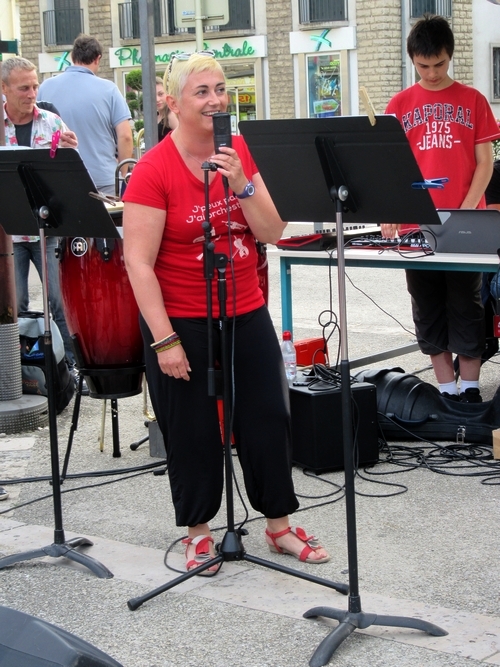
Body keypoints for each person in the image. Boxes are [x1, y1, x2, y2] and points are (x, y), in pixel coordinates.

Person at [122, 52, 330, 575]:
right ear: (172, 102)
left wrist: (243, 183)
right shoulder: (154, 170)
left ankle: (279, 525)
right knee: (191, 428)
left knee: (267, 418)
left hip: (245, 309)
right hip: (184, 319)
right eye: (202, 91)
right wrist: (165, 341)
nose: (216, 100)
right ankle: (198, 533)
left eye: (220, 88)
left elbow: (271, 232)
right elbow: (138, 263)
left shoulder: (237, 152)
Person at [383, 15, 500, 403]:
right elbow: (391, 166)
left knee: (467, 302)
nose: (432, 73)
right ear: (412, 60)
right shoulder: (399, 105)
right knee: (426, 301)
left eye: (440, 64)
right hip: (417, 223)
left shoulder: (473, 100)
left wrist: (466, 210)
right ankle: (445, 389)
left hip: (466, 221)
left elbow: (485, 162)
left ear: (451, 57)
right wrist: (390, 211)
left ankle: (469, 389)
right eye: (424, 66)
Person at [2, 56, 79, 372]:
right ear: (4, 89)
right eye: (24, 88)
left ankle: (71, 368)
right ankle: (17, 371)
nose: (32, 93)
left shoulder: (51, 122)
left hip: (46, 228)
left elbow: (71, 174)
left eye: (34, 86)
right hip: (6, 233)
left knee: (61, 303)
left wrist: (71, 154)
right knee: (12, 305)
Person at [38, 34, 133, 195]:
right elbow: (125, 136)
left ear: (72, 57)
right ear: (98, 59)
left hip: (59, 179)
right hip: (103, 179)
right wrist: (121, 174)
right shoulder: (109, 89)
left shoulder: (45, 87)